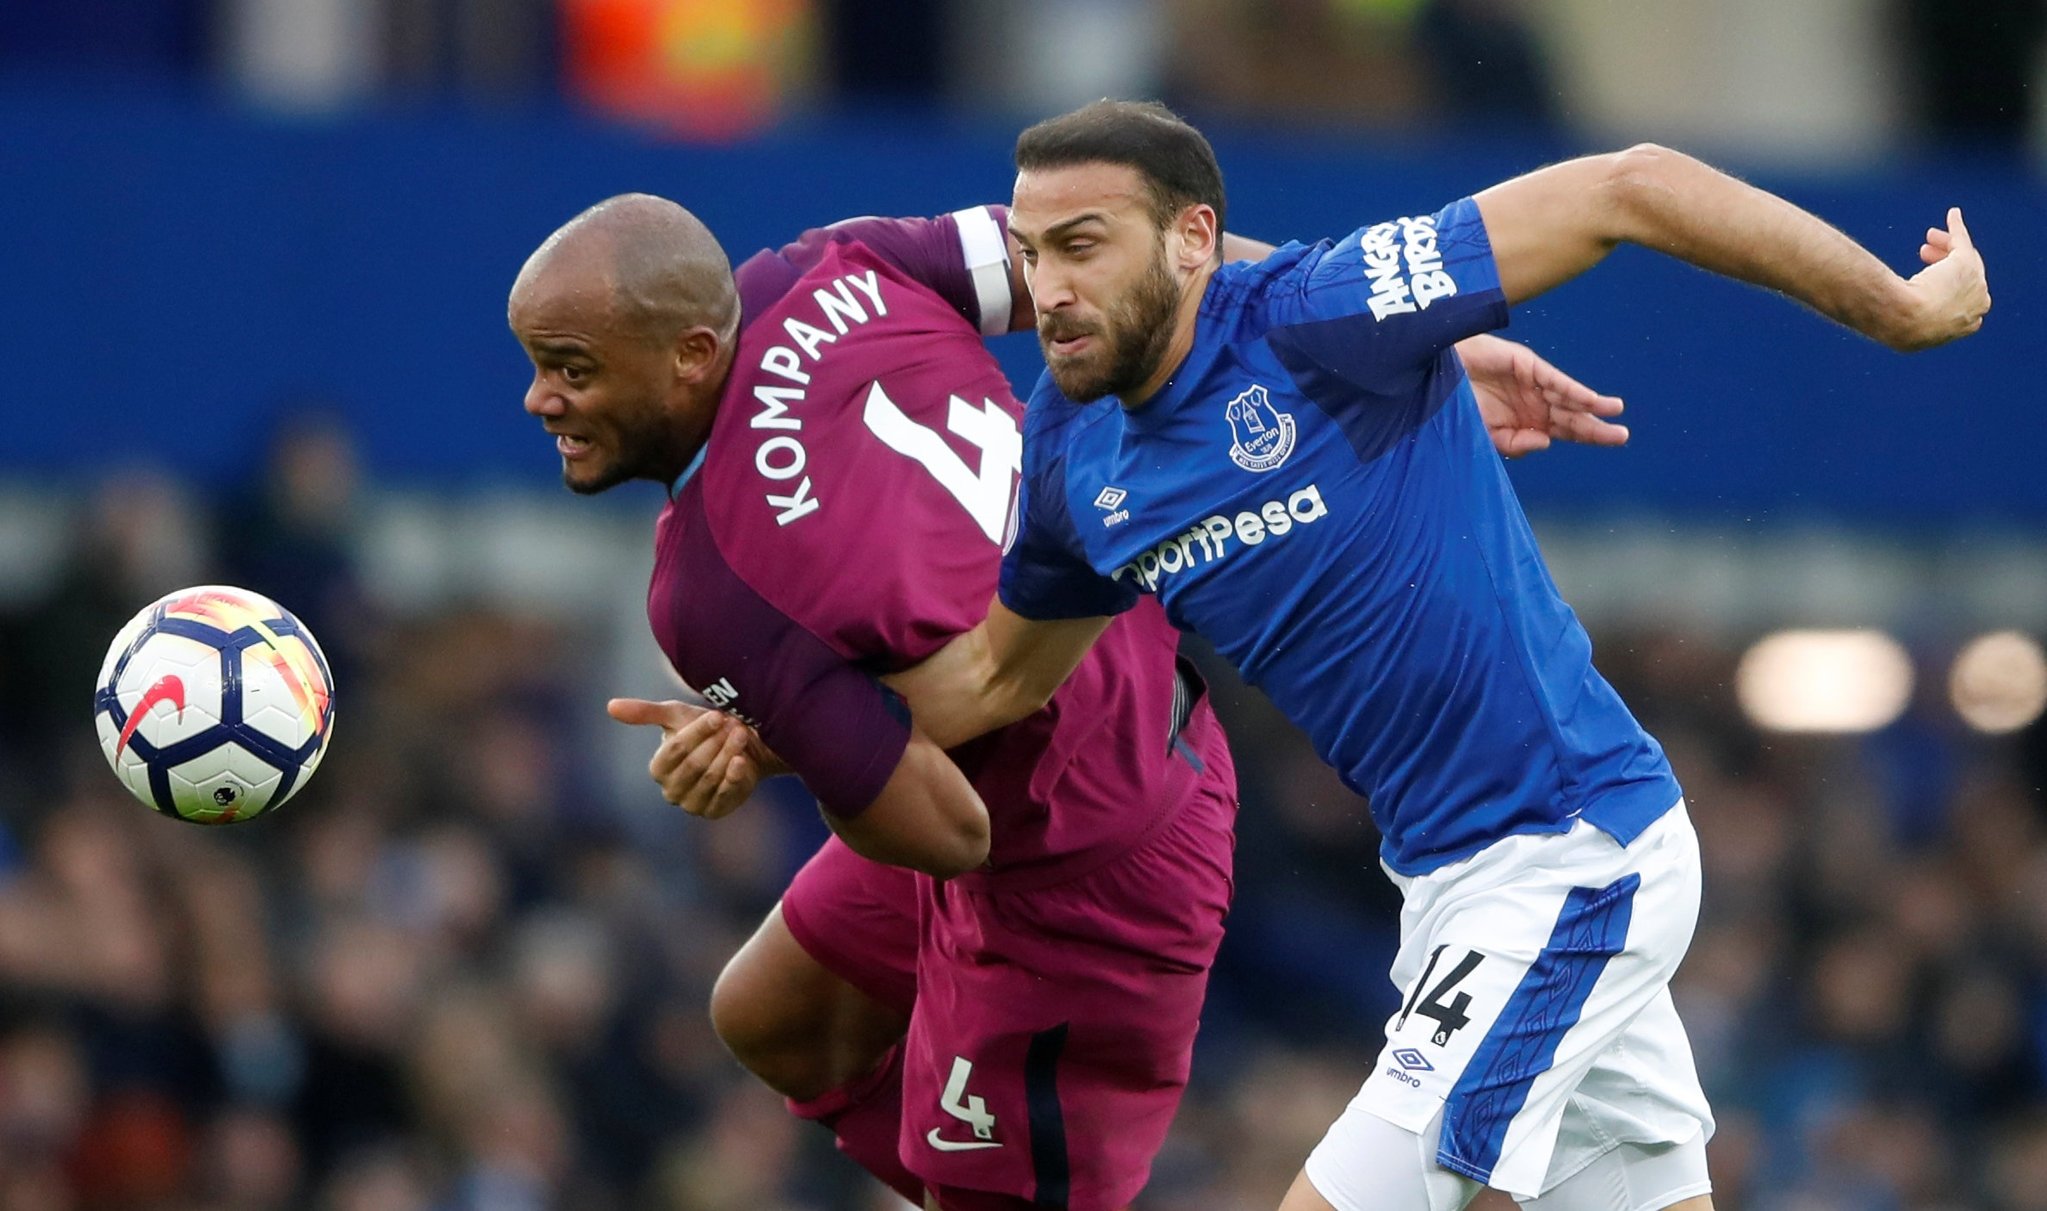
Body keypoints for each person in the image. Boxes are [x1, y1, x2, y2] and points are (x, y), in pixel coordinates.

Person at [665, 102, 1987, 1211]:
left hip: (1575, 853)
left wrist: (1898, 308)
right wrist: (780, 727)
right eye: (1030, 251)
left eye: (1084, 243)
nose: (1050, 284)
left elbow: (1627, 187)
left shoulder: (1315, 313)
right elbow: (994, 677)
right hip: (1448, 889)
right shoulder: (1073, 461)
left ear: (1190, 241)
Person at [507, 191, 1647, 1211]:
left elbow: (947, 830)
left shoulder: (707, 585)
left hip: (1074, 867)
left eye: (570, 365)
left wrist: (786, 731)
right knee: (773, 1010)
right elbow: (1127, 269)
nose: (539, 396)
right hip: (1124, 719)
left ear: (693, 352)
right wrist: (1340, 339)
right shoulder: (830, 266)